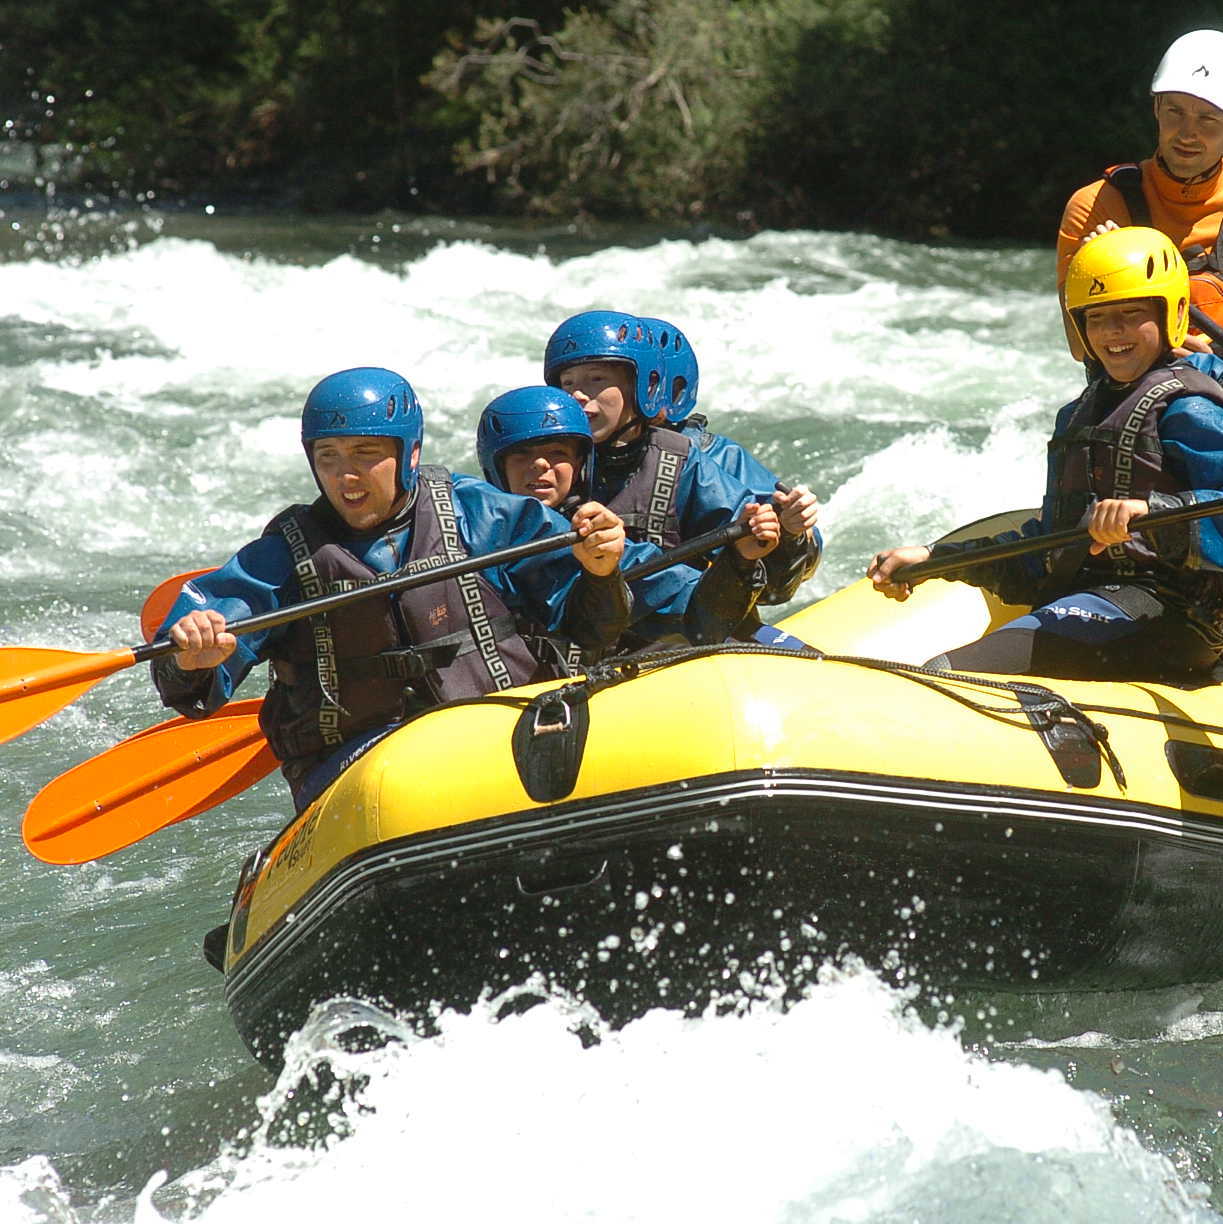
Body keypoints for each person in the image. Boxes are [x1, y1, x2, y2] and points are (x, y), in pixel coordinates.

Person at [152, 366, 632, 812]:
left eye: (366, 453)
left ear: (411, 454)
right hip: (361, 766)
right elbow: (194, 675)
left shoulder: (481, 514)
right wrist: (191, 661)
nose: (346, 475)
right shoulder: (283, 556)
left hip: (502, 731)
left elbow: (593, 630)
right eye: (329, 456)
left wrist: (600, 572)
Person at [868, 226, 1223, 681]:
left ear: (1172, 312)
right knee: (948, 667)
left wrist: (1154, 515)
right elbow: (1049, 547)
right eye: (1097, 317)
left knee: (947, 673)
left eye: (1131, 313)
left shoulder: (1190, 408)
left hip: (1175, 616)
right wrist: (936, 558)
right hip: (1096, 600)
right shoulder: (1079, 414)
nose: (1112, 331)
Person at [541, 310, 819, 607]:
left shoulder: (695, 460)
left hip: (682, 616)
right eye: (567, 384)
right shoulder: (551, 460)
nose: (579, 395)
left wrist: (791, 534)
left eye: (597, 379)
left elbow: (773, 587)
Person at [476, 384, 781, 644]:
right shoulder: (470, 522)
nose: (541, 465)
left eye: (558, 453)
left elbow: (700, 614)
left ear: (580, 466)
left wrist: (740, 559)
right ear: (496, 466)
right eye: (522, 454)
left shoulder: (599, 538)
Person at [1057, 28, 1223, 360]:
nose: (1187, 134)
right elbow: (1080, 348)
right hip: (1139, 383)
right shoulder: (1096, 205)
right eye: (1175, 112)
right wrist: (1095, 268)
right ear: (1157, 108)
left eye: (1207, 119)